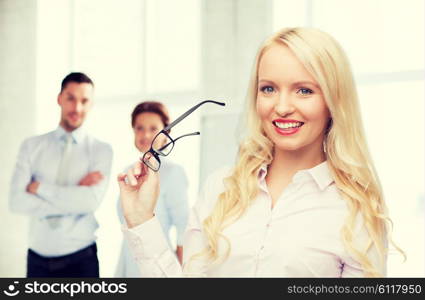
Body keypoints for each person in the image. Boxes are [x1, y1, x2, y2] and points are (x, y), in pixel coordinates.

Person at [117, 28, 402, 277]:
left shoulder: (356, 211)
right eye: (268, 89)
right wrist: (142, 219)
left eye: (303, 91)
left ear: (333, 100)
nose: (281, 106)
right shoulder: (220, 189)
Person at [9, 72, 113, 277]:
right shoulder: (31, 146)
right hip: (37, 259)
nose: (77, 108)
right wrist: (75, 194)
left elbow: (89, 203)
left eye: (84, 101)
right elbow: (17, 201)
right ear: (59, 99)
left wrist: (40, 189)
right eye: (71, 98)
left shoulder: (101, 150)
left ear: (91, 104)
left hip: (82, 260)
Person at [115, 101, 189, 277]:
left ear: (166, 132)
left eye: (153, 128)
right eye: (139, 128)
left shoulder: (173, 173)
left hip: (157, 266)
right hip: (128, 263)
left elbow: (183, 231)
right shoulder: (129, 171)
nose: (145, 134)